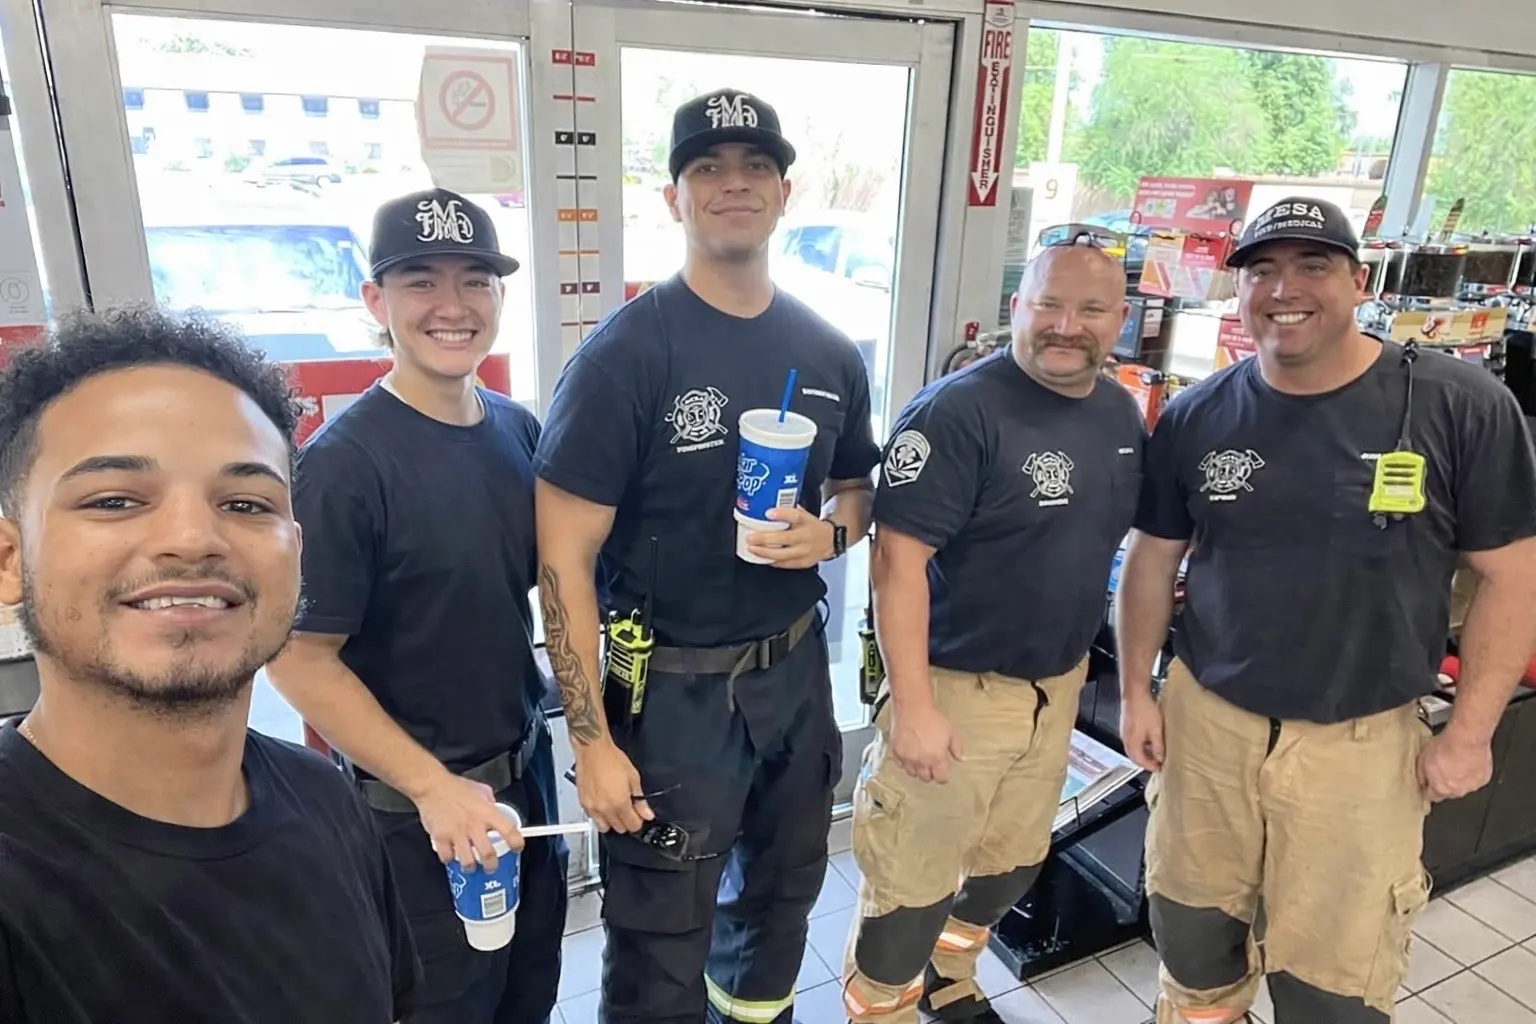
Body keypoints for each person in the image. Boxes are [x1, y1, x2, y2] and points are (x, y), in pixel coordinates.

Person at [1116, 197, 1536, 1024]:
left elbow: (1515, 577)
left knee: (1332, 990)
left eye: (1313, 266)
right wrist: (1137, 691)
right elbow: (1153, 556)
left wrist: (1472, 733)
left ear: (1357, 278)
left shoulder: (1459, 405)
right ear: (1240, 291)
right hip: (1210, 727)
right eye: (1263, 270)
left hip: (1362, 746)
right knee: (1193, 942)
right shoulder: (1201, 413)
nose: (1285, 289)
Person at [534, 88, 880, 1024]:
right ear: (673, 197)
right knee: (661, 929)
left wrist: (834, 534)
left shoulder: (827, 350)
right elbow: (560, 559)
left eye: (755, 168)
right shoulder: (625, 357)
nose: (734, 185)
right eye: (708, 169)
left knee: (782, 898)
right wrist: (592, 741)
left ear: (784, 192)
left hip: (793, 671)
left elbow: (859, 488)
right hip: (666, 689)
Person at [0, 306, 419, 1023]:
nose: (193, 538)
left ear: (296, 548)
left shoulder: (326, 802)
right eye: (114, 499)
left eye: (245, 502)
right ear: (11, 559)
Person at [265, 188, 566, 1024]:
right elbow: (297, 655)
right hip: (415, 815)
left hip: (522, 780)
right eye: (421, 282)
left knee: (527, 992)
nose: (452, 306)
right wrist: (434, 788)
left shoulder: (517, 430)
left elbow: (554, 586)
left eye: (476, 280)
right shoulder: (343, 468)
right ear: (376, 302)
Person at [840, 243, 1144, 1024]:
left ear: (1121, 320)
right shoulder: (959, 411)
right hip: (954, 687)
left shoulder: (1116, 411)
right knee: (912, 886)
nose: (1067, 326)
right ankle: (881, 1007)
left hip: (1054, 688)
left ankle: (950, 976)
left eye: (1091, 310)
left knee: (1010, 862)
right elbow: (896, 563)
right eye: (1049, 305)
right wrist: (914, 709)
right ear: (1019, 307)